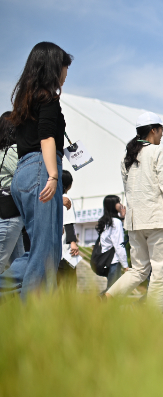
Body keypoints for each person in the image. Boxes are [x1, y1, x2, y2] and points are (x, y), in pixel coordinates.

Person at [0, 43, 72, 299]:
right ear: (54, 67)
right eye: (65, 67)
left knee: (44, 250)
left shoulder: (26, 99)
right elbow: (47, 139)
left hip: (24, 172)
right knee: (46, 251)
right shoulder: (48, 99)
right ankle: (34, 314)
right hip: (41, 169)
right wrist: (53, 175)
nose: (66, 73)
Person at [105, 112, 163, 309]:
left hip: (134, 221)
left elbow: (128, 189)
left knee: (138, 270)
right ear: (152, 130)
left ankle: (106, 299)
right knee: (161, 274)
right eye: (161, 130)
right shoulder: (159, 152)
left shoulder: (128, 156)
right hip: (157, 220)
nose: (162, 135)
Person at [0, 112, 24, 273]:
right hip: (10, 213)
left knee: (18, 265)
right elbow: (25, 175)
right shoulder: (11, 152)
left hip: (9, 213)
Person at [97, 195, 128, 291]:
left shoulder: (106, 221)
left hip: (106, 260)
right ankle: (98, 302)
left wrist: (122, 218)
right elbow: (119, 245)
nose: (121, 205)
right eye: (118, 202)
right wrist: (125, 265)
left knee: (111, 289)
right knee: (113, 291)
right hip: (114, 261)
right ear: (113, 205)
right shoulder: (116, 222)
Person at [56, 170, 80, 290]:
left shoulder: (53, 200)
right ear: (69, 185)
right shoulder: (66, 198)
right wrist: (73, 242)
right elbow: (69, 223)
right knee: (69, 284)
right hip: (65, 251)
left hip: (54, 251)